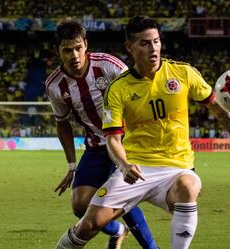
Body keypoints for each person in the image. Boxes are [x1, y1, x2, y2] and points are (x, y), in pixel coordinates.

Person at [54, 16, 230, 249]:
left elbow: (219, 109)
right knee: (88, 224)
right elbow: (113, 138)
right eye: (145, 43)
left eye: (156, 41)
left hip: (176, 168)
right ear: (130, 47)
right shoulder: (118, 88)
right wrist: (124, 165)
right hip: (136, 167)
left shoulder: (183, 73)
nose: (153, 48)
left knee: (188, 186)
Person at [45, 19, 158, 249]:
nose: (74, 55)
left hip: (125, 141)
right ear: (59, 50)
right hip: (96, 146)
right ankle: (117, 231)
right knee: (79, 204)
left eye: (78, 48)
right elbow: (62, 123)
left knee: (119, 191)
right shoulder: (55, 85)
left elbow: (139, 93)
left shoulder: (109, 66)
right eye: (67, 50)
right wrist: (70, 165)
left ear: (86, 44)